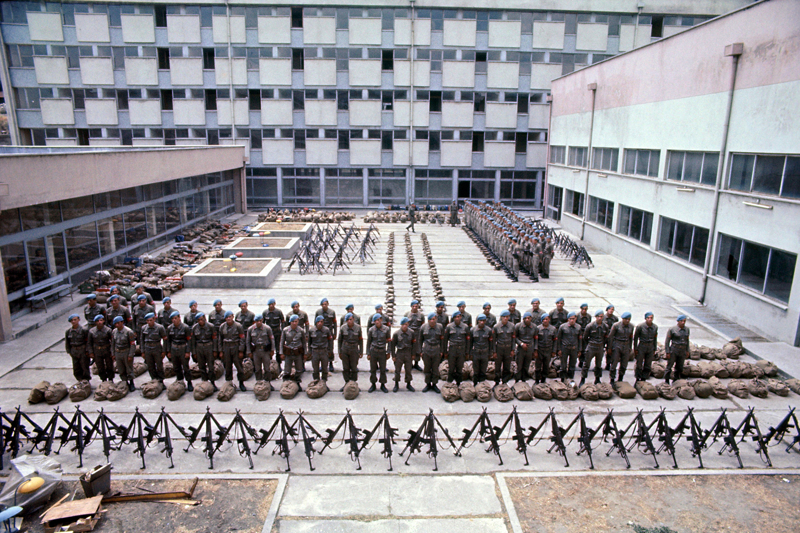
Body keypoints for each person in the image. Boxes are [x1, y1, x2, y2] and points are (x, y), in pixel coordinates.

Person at [219, 310, 247, 391]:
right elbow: (220, 340)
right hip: (226, 348)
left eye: (230, 317)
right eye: (227, 317)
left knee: (239, 366)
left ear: (233, 317)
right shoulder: (222, 327)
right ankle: (229, 382)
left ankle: (241, 383)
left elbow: (242, 339)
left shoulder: (238, 326)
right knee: (227, 366)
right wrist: (221, 351)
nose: (228, 319)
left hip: (235, 347)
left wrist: (241, 350)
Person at [580, 310, 609, 387]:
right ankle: (582, 379)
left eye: (601, 317)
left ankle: (597, 379)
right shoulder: (590, 326)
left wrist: (603, 344)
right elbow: (585, 337)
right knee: (586, 364)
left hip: (600, 347)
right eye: (598, 316)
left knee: (598, 365)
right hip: (591, 347)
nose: (600, 318)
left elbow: (606, 337)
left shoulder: (605, 326)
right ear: (595, 317)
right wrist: (590, 344)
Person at [166, 311, 193, 391]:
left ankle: (189, 382)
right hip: (174, 348)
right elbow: (168, 341)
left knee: (185, 367)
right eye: (172, 319)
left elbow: (189, 340)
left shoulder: (185, 327)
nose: (174, 320)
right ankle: (180, 380)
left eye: (175, 318)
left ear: (179, 318)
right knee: (176, 366)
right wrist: (168, 351)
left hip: (183, 348)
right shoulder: (169, 328)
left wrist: (188, 351)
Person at [191, 312, 218, 391]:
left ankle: (212, 382)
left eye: (202, 319)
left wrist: (215, 350)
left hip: (208, 346)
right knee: (201, 366)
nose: (200, 321)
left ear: (205, 319)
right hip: (199, 348)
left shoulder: (211, 326)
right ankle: (204, 381)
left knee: (211, 366)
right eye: (198, 320)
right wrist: (194, 352)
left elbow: (214, 339)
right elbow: (193, 341)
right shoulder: (194, 328)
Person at [419, 312, 444, 393]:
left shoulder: (440, 327)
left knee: (435, 368)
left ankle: (434, 384)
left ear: (436, 319)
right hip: (427, 350)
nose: (432, 321)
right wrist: (420, 351)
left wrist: (442, 351)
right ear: (428, 320)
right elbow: (420, 340)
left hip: (436, 349)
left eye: (434, 319)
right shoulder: (423, 327)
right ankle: (428, 384)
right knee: (427, 368)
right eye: (430, 319)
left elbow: (442, 340)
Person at [247, 315, 275, 386]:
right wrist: (249, 351)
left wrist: (272, 350)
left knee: (267, 368)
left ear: (262, 320)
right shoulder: (250, 329)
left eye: (260, 321)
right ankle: (259, 382)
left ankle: (268, 382)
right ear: (255, 321)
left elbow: (272, 339)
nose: (259, 322)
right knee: (257, 368)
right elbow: (248, 341)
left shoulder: (267, 328)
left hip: (265, 351)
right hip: (256, 351)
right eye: (257, 321)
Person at [280, 314, 307, 388]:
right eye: (293, 321)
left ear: (298, 321)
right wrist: (281, 353)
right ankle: (286, 383)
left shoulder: (301, 330)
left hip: (298, 353)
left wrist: (305, 353)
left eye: (296, 321)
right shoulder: (285, 330)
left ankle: (297, 383)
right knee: (287, 370)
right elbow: (282, 342)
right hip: (289, 353)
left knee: (299, 369)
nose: (294, 323)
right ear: (290, 322)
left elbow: (304, 343)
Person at [111, 315, 137, 391]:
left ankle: (131, 382)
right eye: (115, 324)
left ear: (122, 322)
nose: (117, 325)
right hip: (118, 352)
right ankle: (125, 382)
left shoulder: (128, 332)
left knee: (129, 368)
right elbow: (113, 344)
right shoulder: (114, 332)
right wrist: (113, 354)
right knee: (121, 369)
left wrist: (130, 355)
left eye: (118, 323)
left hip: (126, 352)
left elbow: (132, 344)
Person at [608, 312, 634, 385]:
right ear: (622, 319)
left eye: (629, 319)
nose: (627, 321)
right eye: (626, 319)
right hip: (617, 344)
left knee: (624, 364)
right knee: (614, 363)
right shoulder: (616, 325)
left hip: (626, 345)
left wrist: (630, 347)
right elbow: (610, 337)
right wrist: (609, 348)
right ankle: (612, 379)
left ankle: (620, 378)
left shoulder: (631, 326)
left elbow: (631, 338)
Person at [338, 312, 363, 389]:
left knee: (354, 367)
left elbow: (360, 340)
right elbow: (339, 340)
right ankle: (347, 383)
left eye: (350, 319)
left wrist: (361, 351)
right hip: (345, 349)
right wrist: (340, 352)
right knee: (346, 368)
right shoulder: (343, 328)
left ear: (353, 319)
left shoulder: (358, 328)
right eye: (348, 320)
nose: (349, 321)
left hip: (354, 349)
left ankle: (353, 383)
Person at [444, 311, 470, 385]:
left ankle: (458, 383)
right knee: (451, 368)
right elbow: (445, 340)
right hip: (452, 350)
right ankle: (449, 383)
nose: (457, 319)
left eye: (458, 317)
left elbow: (468, 340)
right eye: (455, 317)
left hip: (461, 350)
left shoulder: (465, 327)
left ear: (461, 317)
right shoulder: (449, 327)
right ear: (453, 318)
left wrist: (467, 352)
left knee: (459, 368)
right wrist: (445, 351)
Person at [366, 314, 390, 393]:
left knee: (383, 369)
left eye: (378, 320)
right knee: (373, 369)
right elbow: (368, 342)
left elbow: (389, 341)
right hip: (374, 351)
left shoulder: (386, 329)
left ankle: (383, 384)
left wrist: (388, 352)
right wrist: (368, 353)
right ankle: (373, 384)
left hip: (382, 352)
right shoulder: (371, 330)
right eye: (375, 321)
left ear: (381, 320)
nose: (377, 322)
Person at [140, 312, 167, 382]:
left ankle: (161, 380)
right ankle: (154, 379)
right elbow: (141, 340)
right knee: (150, 366)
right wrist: (142, 351)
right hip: (148, 348)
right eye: (147, 321)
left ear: (154, 319)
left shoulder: (160, 327)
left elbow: (165, 339)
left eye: (151, 320)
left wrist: (164, 351)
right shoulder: (144, 328)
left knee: (159, 366)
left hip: (157, 348)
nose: (149, 322)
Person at [391, 317, 415, 392]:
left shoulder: (411, 333)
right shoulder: (396, 334)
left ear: (408, 324)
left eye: (406, 324)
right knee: (397, 370)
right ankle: (396, 384)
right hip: (400, 353)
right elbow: (392, 345)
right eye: (403, 324)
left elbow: (414, 344)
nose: (405, 326)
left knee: (408, 369)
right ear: (401, 325)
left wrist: (413, 354)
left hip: (408, 353)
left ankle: (408, 383)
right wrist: (393, 356)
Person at [557, 313, 582, 384]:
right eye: (570, 319)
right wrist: (559, 349)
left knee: (572, 365)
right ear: (568, 319)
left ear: (575, 319)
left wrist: (579, 350)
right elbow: (559, 339)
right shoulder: (563, 327)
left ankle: (570, 380)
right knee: (563, 366)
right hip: (564, 348)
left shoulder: (578, 327)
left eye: (573, 319)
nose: (572, 320)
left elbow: (580, 339)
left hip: (574, 349)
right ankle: (563, 380)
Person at [664, 315, 690, 384]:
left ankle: (676, 380)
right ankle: (666, 380)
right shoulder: (672, 329)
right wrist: (667, 352)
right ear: (678, 321)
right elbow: (667, 341)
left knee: (679, 367)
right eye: (681, 321)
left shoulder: (687, 329)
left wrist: (687, 350)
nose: (683, 322)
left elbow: (687, 341)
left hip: (682, 350)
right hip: (674, 349)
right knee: (669, 366)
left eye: (684, 321)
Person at [492, 310, 516, 385]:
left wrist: (513, 349)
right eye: (504, 317)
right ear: (501, 317)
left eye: (507, 317)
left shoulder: (512, 326)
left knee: (507, 367)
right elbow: (493, 340)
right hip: (499, 349)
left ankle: (505, 382)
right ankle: (497, 382)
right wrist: (494, 351)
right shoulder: (496, 327)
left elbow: (513, 339)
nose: (505, 318)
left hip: (508, 349)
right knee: (497, 367)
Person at [87, 315, 113, 382]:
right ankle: (103, 379)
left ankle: (110, 379)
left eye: (101, 320)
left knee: (109, 366)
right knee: (100, 367)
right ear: (95, 322)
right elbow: (89, 343)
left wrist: (112, 352)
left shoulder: (108, 330)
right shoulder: (92, 331)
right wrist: (91, 352)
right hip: (97, 351)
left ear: (103, 321)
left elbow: (113, 342)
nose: (99, 322)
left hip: (107, 350)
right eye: (97, 321)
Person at [634, 312, 658, 381]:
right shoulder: (640, 326)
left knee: (648, 364)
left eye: (651, 318)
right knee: (639, 363)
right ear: (645, 318)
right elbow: (635, 338)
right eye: (648, 318)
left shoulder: (655, 327)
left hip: (650, 347)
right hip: (642, 346)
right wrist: (635, 348)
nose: (650, 319)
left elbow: (655, 338)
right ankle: (638, 378)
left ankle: (644, 378)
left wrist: (654, 349)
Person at [315, 298, 337, 374]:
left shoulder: (332, 312)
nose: (324, 306)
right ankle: (322, 365)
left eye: (325, 304)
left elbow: (334, 323)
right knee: (322, 348)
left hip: (329, 332)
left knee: (330, 348)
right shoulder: (318, 312)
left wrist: (335, 333)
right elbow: (315, 323)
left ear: (328, 304)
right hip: (321, 333)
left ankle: (331, 363)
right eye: (323, 304)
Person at [470, 314, 493, 384]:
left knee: (483, 370)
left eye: (483, 321)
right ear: (478, 321)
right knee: (476, 370)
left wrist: (490, 353)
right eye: (480, 321)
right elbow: (470, 343)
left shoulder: (489, 330)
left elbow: (491, 343)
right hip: (476, 353)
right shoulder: (473, 330)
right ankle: (475, 384)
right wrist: (470, 353)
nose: (482, 322)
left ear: (485, 321)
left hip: (485, 353)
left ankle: (482, 385)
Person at [263, 299, 285, 372]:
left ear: (275, 304)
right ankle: (269, 365)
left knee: (278, 350)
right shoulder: (265, 313)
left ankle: (279, 365)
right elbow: (263, 324)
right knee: (269, 349)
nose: (271, 306)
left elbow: (283, 322)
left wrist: (282, 332)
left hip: (277, 333)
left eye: (272, 304)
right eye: (270, 305)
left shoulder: (278, 312)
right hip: (268, 334)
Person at [515, 312, 536, 383]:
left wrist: (535, 349)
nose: (527, 320)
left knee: (526, 365)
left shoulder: (534, 327)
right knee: (519, 365)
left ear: (531, 319)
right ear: (523, 319)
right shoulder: (518, 326)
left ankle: (524, 380)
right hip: (521, 348)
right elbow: (515, 337)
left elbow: (535, 338)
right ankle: (517, 380)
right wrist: (521, 344)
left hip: (529, 349)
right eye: (525, 318)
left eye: (528, 318)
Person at [535, 314, 557, 384]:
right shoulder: (538, 328)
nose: (545, 321)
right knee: (537, 366)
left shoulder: (553, 329)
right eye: (544, 319)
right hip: (540, 350)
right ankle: (537, 381)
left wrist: (554, 351)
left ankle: (543, 380)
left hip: (548, 350)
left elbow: (555, 341)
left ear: (549, 319)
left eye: (546, 319)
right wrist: (535, 350)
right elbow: (535, 340)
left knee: (546, 366)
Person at [403, 300, 425, 371]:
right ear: (411, 306)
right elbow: (404, 324)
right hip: (409, 334)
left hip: (417, 334)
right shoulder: (407, 314)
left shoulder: (421, 315)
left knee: (417, 349)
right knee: (409, 348)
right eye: (413, 306)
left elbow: (422, 325)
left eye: (416, 306)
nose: (415, 307)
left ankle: (416, 363)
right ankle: (410, 363)